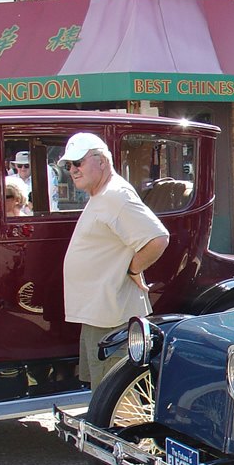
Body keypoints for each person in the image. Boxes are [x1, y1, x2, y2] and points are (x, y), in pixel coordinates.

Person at [61, 132, 170, 391]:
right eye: (68, 165)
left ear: (101, 160)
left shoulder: (115, 195)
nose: (73, 170)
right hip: (100, 315)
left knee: (116, 398)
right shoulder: (102, 194)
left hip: (113, 317)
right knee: (104, 394)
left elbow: (158, 238)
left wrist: (133, 268)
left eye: (78, 162)